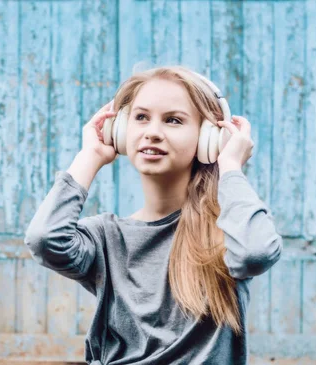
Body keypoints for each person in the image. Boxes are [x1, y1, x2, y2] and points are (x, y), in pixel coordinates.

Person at [24, 65, 283, 365]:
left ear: (208, 138)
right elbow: (45, 240)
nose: (152, 133)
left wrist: (230, 166)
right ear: (119, 131)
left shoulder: (228, 231)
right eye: (141, 117)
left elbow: (255, 253)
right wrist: (89, 157)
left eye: (173, 120)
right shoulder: (106, 239)